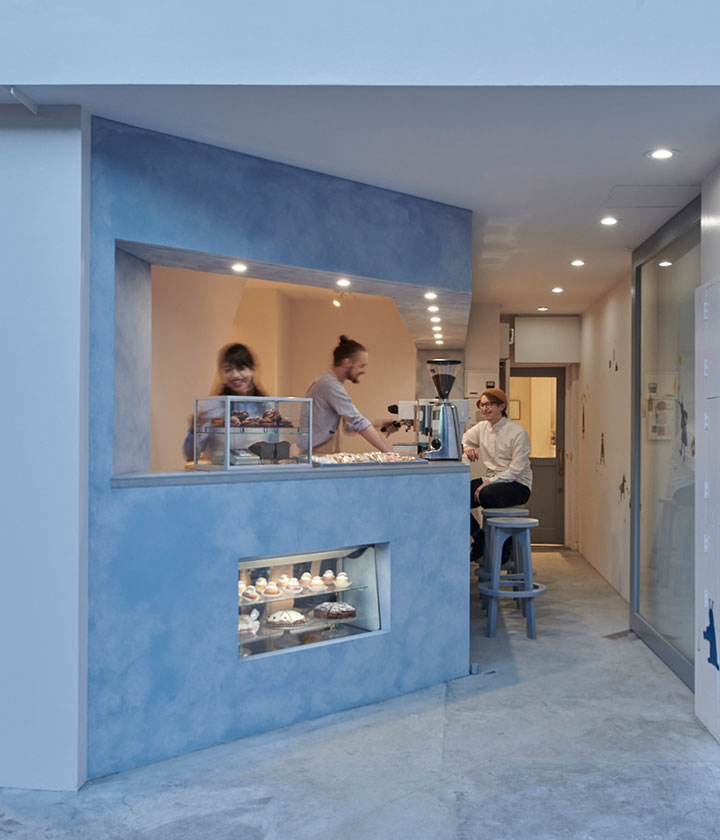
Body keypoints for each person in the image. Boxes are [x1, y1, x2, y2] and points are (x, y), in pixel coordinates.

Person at [462, 388, 532, 563]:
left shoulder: (517, 432)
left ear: (502, 406)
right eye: (482, 404)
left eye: (489, 404)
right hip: (492, 481)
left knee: (487, 494)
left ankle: (505, 546)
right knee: (456, 496)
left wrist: (489, 482)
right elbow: (464, 438)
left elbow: (516, 469)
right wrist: (467, 447)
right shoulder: (482, 428)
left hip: (517, 484)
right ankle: (478, 537)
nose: (484, 408)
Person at [305, 335, 392, 454]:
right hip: (318, 455)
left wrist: (378, 423)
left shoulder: (329, 382)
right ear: (347, 362)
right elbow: (358, 422)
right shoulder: (329, 385)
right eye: (361, 366)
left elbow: (348, 427)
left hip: (325, 454)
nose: (364, 371)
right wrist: (391, 454)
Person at [183, 343, 267, 462]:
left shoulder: (265, 407)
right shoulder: (212, 407)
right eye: (228, 370)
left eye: (241, 368)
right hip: (222, 473)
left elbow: (277, 452)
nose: (235, 375)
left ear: (252, 370)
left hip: (259, 473)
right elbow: (191, 455)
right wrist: (194, 429)